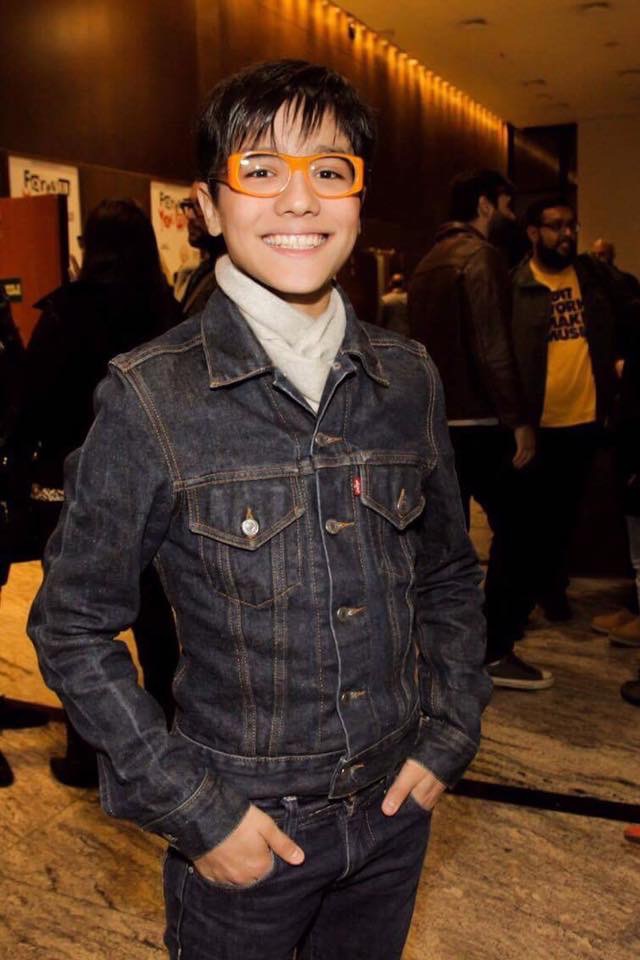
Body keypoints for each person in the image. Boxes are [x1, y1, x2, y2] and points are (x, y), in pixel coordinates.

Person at [28, 60, 491, 959]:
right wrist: (194, 810)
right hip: (250, 829)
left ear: (357, 198)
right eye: (262, 169)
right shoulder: (152, 396)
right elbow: (72, 625)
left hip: (395, 811)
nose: (299, 199)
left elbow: (445, 571)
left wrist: (450, 730)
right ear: (206, 207)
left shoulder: (407, 377)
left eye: (330, 170)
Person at [19, 199, 181, 787]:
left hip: (75, 489)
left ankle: (89, 755)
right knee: (159, 621)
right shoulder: (169, 315)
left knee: (81, 625)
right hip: (156, 486)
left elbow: (32, 404)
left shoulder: (66, 313)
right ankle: (165, 744)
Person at [409, 170, 547, 691]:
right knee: (525, 530)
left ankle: (446, 653)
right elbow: (493, 347)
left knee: (447, 545)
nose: (512, 216)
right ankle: (494, 647)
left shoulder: (428, 261)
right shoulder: (480, 256)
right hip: (482, 422)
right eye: (507, 205)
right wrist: (519, 420)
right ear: (486, 205)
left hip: (437, 420)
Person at [511, 196, 620, 622]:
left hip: (586, 417)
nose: (567, 234)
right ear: (533, 232)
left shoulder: (591, 278)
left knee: (568, 513)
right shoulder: (517, 286)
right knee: (532, 517)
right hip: (539, 423)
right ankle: (529, 595)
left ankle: (554, 590)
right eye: (556, 226)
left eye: (571, 226)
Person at [178, 182, 222, 317]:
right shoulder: (204, 269)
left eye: (199, 206)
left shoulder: (229, 275)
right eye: (188, 205)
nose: (190, 216)